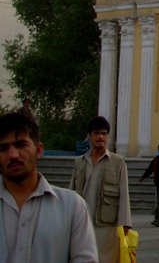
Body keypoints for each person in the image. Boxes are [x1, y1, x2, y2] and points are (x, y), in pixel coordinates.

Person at [0, 112, 98, 262]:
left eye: (21, 145)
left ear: (39, 150)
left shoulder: (72, 206)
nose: (13, 154)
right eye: (3, 148)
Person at [69, 116, 132, 263]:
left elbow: (124, 194)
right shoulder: (79, 162)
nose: (100, 137)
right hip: (81, 224)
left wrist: (125, 224)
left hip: (106, 226)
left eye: (104, 133)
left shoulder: (118, 162)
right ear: (90, 136)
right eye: (97, 133)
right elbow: (71, 193)